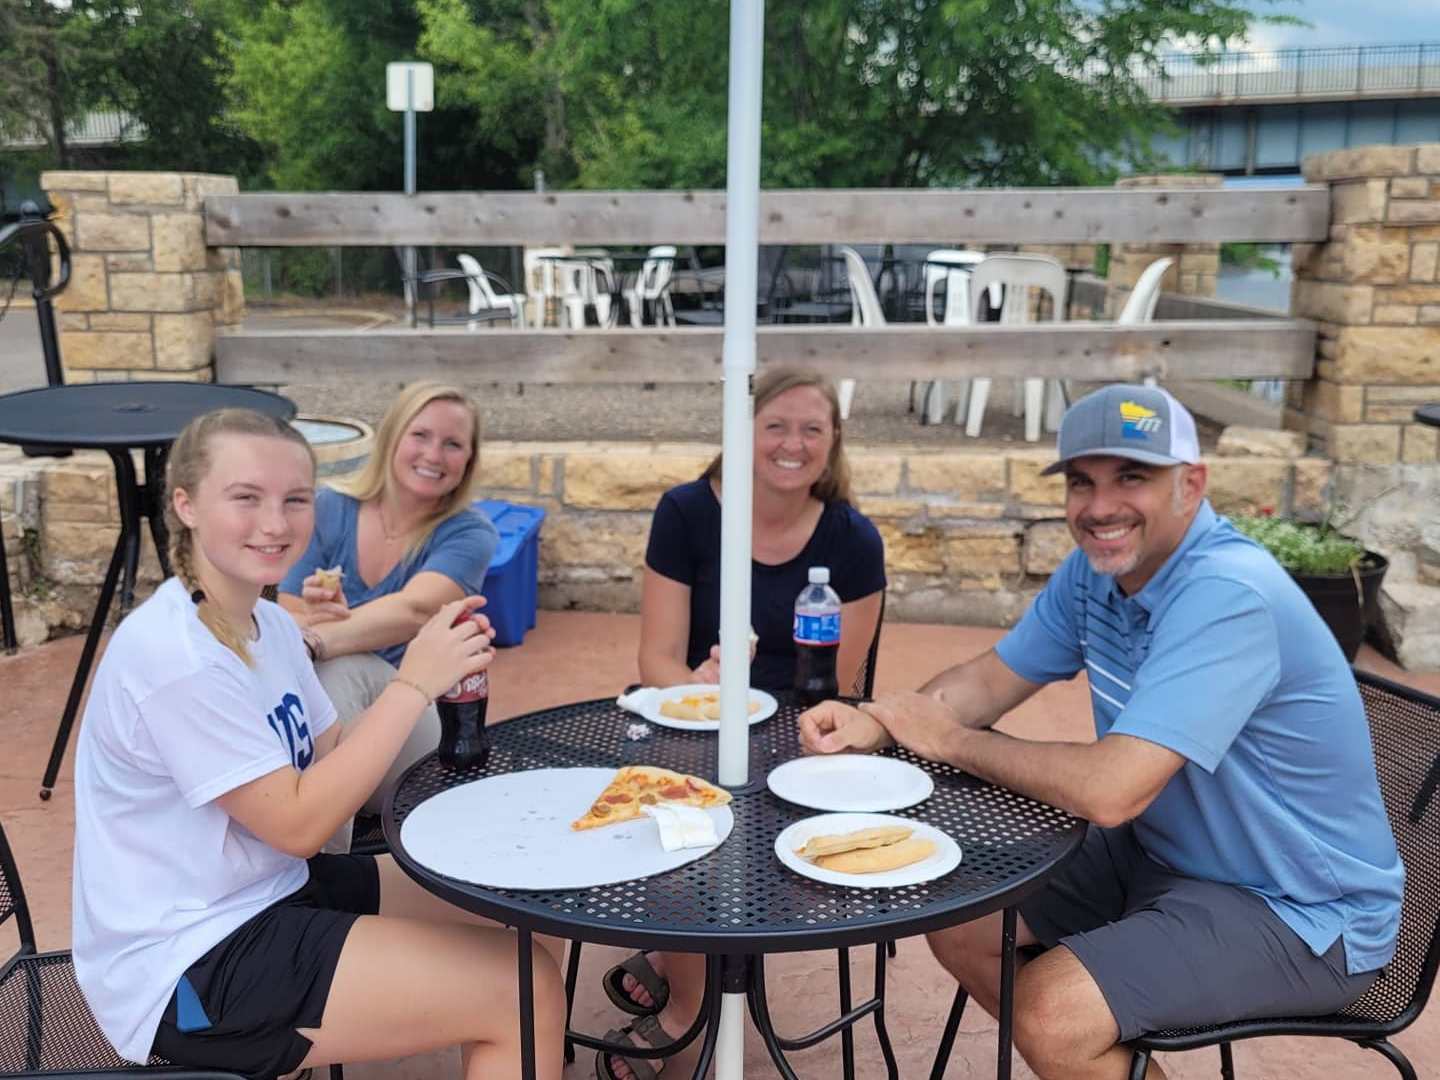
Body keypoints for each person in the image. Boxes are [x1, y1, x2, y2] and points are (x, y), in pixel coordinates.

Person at [797, 383, 1405, 1080]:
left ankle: (1082, 1044)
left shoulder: (1227, 596)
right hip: (1167, 856)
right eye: (1082, 482)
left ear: (1192, 483)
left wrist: (951, 740)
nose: (1100, 506)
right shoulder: (1096, 572)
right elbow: (991, 680)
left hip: (1298, 909)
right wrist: (882, 721)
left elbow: (1111, 791)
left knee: (1054, 1014)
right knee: (958, 916)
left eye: (1132, 477)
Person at [71, 408, 564, 1080]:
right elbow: (300, 824)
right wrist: (413, 683)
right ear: (184, 504)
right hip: (188, 963)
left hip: (269, 892)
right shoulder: (174, 656)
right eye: (246, 498)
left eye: (294, 500)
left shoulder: (269, 625)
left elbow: (336, 757)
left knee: (520, 904)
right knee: (519, 988)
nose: (275, 524)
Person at [606, 368, 886, 1079]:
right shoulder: (687, 513)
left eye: (812, 429)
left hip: (798, 733)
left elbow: (840, 689)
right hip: (691, 723)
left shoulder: (853, 540)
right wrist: (701, 686)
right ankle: (692, 973)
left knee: (755, 816)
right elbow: (656, 660)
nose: (793, 444)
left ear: (833, 443)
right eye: (776, 426)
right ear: (743, 432)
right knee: (689, 811)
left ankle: (681, 998)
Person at [278, 382, 498, 851]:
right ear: (392, 437)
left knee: (335, 667)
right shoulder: (329, 508)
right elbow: (282, 610)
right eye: (420, 435)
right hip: (339, 733)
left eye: (453, 443)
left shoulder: (469, 533)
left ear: (468, 461)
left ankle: (321, 862)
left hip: (415, 727)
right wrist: (312, 613)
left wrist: (319, 636)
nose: (434, 454)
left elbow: (414, 610)